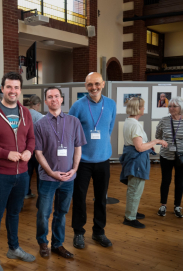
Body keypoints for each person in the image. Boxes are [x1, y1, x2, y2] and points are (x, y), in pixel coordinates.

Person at [0, 72, 36, 271]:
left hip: (22, 174)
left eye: (17, 87)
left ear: (20, 90)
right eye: (9, 87)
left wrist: (29, 150)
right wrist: (5, 154)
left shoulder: (25, 113)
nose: (13, 91)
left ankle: (14, 248)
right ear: (2, 89)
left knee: (14, 213)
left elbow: (31, 138)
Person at [34, 87, 86, 258]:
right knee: (43, 213)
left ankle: (58, 244)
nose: (54, 99)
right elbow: (38, 153)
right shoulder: (40, 124)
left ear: (62, 99)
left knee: (61, 213)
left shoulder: (73, 122)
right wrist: (51, 172)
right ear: (46, 101)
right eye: (50, 97)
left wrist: (75, 169)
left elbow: (78, 148)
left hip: (69, 178)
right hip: (47, 178)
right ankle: (43, 242)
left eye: (56, 96)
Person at [69, 72, 116, 249]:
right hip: (82, 161)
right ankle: (78, 232)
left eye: (97, 84)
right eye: (90, 85)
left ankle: (99, 232)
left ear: (103, 84)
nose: (93, 88)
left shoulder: (111, 104)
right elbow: (71, 132)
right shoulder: (78, 106)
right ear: (85, 85)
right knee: (79, 198)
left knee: (101, 198)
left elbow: (108, 129)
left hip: (103, 159)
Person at [119, 97, 167, 228]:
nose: (144, 108)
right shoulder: (134, 125)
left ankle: (132, 211)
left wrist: (148, 144)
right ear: (138, 109)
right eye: (143, 106)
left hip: (134, 159)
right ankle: (130, 218)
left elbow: (139, 144)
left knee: (134, 188)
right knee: (135, 189)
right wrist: (157, 141)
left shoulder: (129, 121)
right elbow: (139, 147)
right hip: (136, 160)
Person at [155, 97, 183, 218]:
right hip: (166, 156)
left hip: (182, 157)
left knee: (179, 181)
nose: (171, 108)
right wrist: (163, 142)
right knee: (166, 180)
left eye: (174, 106)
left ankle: (177, 206)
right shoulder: (164, 120)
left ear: (181, 108)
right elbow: (158, 135)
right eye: (170, 106)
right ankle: (163, 205)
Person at [26, 95, 44, 199]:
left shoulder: (23, 114)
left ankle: (26, 193)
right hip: (37, 148)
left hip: (25, 149)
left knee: (27, 172)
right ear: (37, 105)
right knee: (39, 172)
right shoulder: (40, 116)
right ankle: (40, 193)